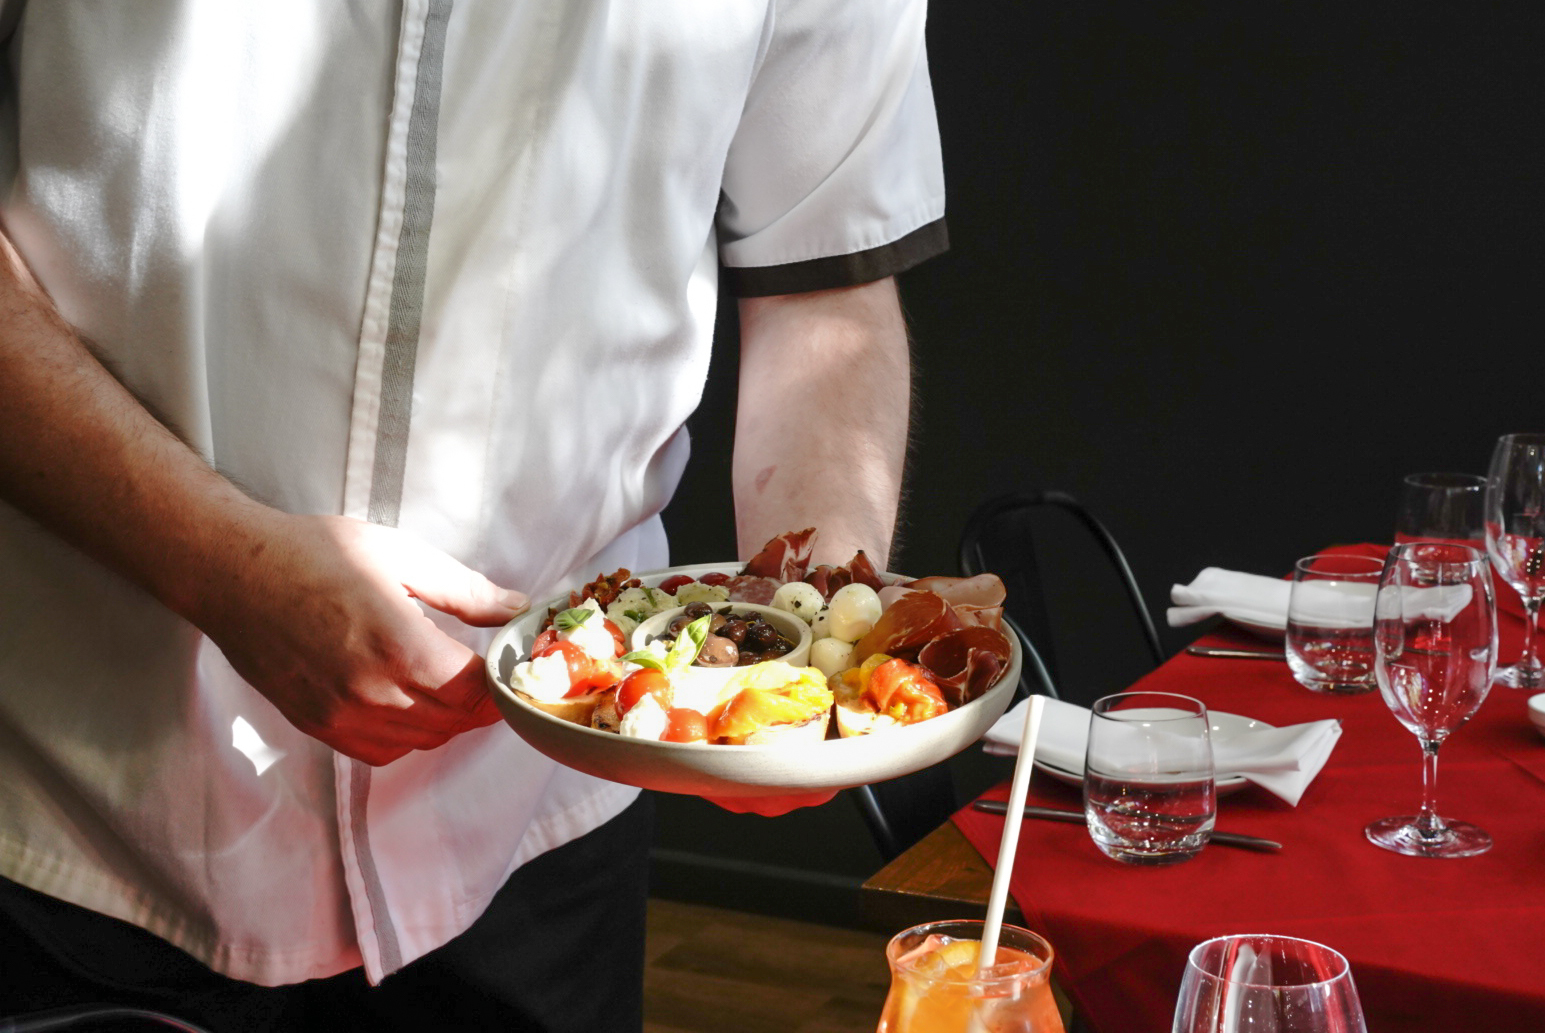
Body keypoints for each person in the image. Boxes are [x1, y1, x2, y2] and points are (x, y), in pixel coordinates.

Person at [0, 2, 945, 1029]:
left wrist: (813, 650)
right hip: (82, 810)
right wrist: (215, 563)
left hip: (537, 816)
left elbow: (825, 288)